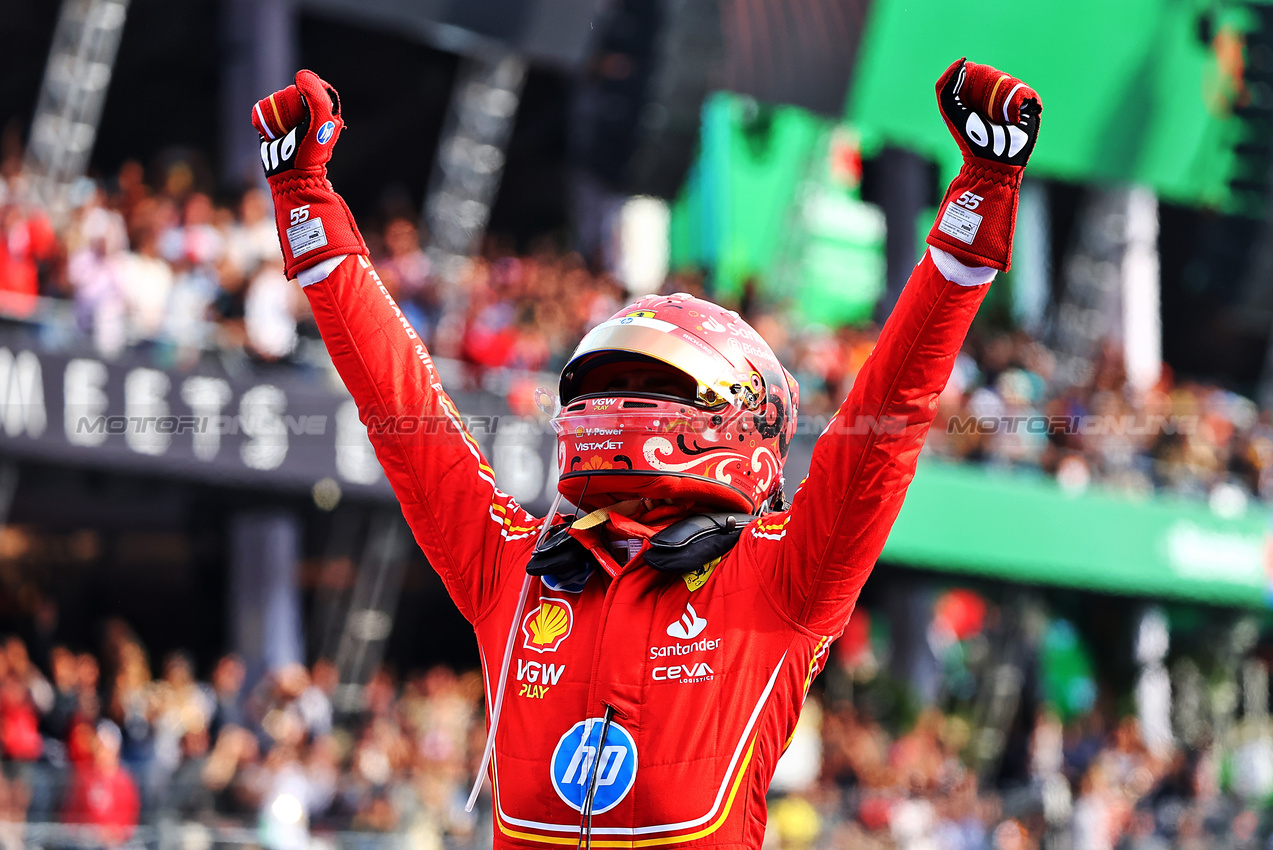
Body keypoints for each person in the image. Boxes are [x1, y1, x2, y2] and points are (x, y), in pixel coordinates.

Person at [251, 58, 1041, 847]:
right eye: (603, 382)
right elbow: (401, 410)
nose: (612, 405)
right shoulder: (517, 572)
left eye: (649, 382)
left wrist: (977, 202)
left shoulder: (783, 578)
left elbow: (888, 416)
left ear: (742, 421)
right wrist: (306, 205)